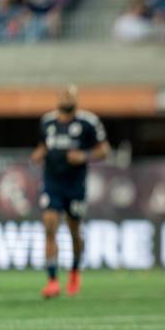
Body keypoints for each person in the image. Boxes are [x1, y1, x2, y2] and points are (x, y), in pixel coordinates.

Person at [30, 85, 110, 299]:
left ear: (76, 98)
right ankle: (52, 281)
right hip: (51, 184)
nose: (66, 97)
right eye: (63, 94)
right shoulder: (47, 122)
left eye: (70, 94)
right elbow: (43, 146)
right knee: (50, 228)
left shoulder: (88, 122)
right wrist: (38, 154)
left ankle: (74, 271)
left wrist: (84, 156)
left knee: (74, 231)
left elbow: (104, 150)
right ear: (57, 98)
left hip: (75, 186)